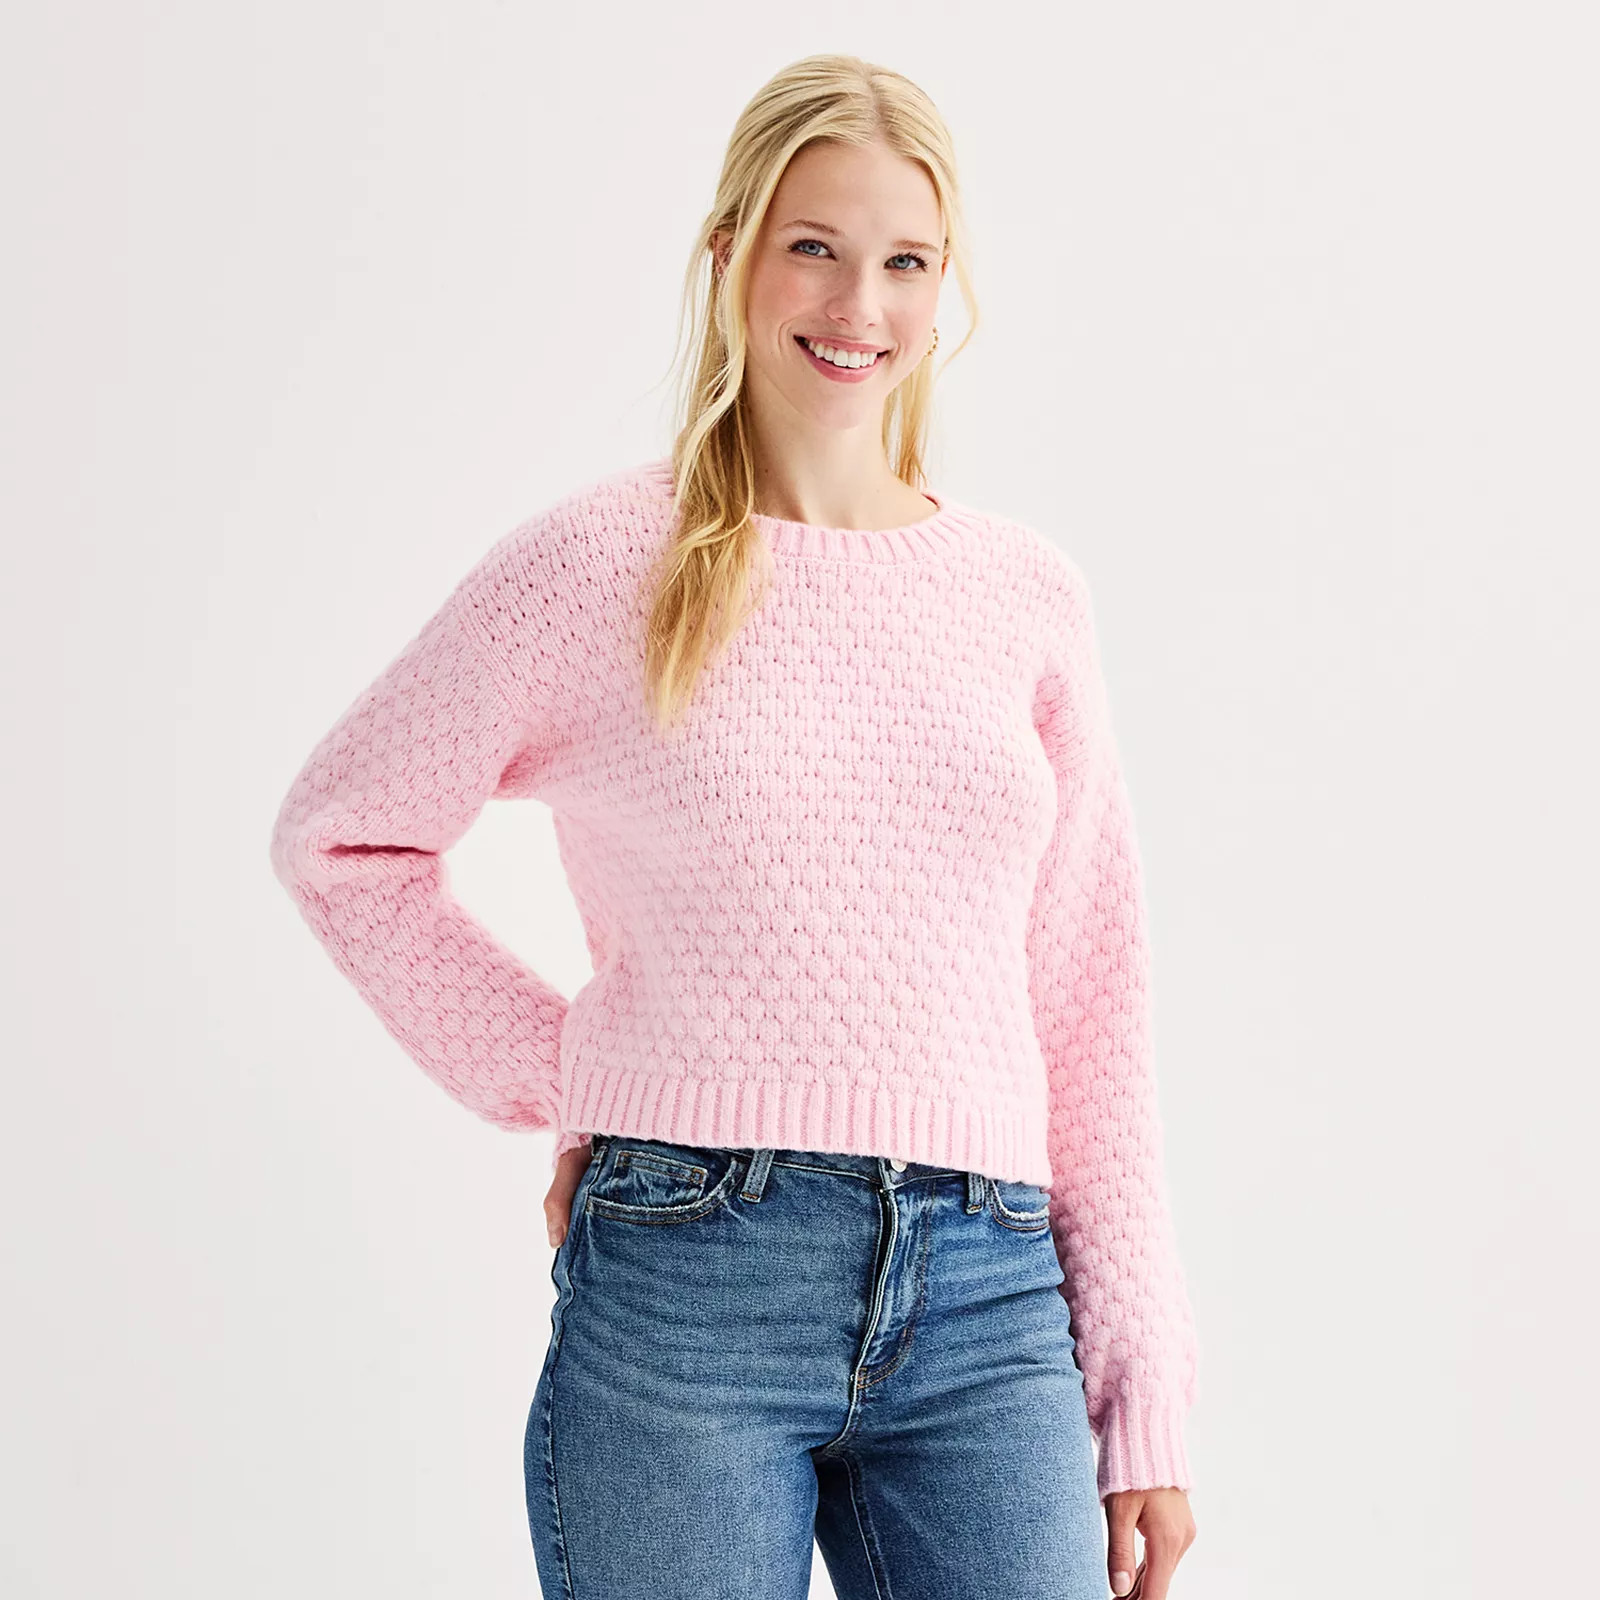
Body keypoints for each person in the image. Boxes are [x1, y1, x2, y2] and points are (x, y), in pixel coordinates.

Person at [269, 51, 1199, 1600]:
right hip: (690, 1286)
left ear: (946, 288)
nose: (859, 305)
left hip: (988, 1299)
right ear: (730, 257)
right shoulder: (596, 567)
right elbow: (344, 838)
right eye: (814, 246)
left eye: (907, 262)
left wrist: (1140, 1384)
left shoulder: (1026, 596)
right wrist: (570, 1069)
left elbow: (1090, 1004)